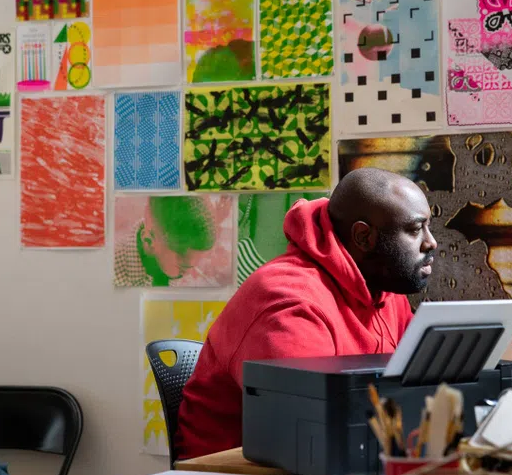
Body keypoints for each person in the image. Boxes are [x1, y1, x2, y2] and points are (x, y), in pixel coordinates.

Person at [174, 168, 438, 459]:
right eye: (415, 229)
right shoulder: (288, 302)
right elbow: (306, 430)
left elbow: (419, 387)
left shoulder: (384, 288)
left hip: (336, 459)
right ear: (363, 236)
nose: (431, 242)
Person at [113, 196, 216, 287]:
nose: (189, 274)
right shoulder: (112, 274)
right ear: (149, 242)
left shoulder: (166, 256)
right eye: (182, 268)